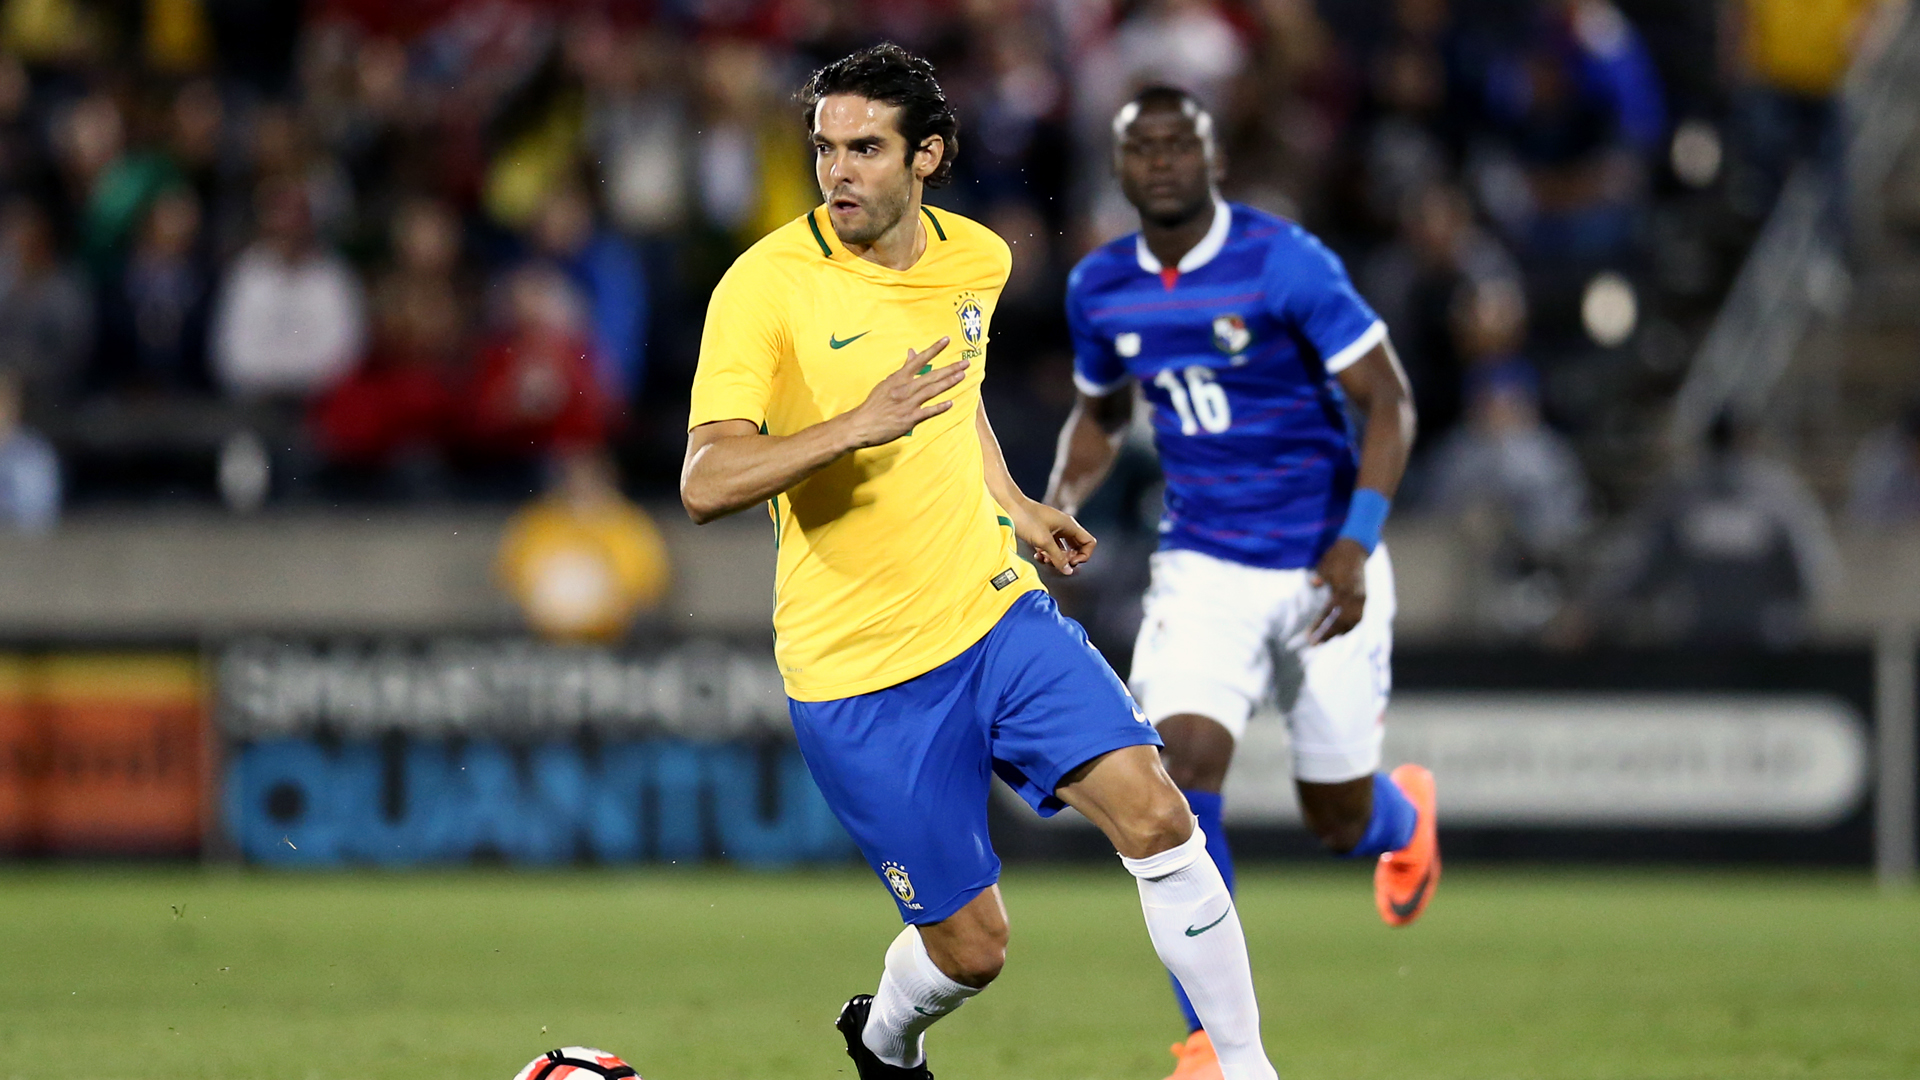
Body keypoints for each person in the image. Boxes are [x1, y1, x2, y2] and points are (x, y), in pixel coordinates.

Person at [683, 45, 1283, 1080]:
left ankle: (1243, 1067)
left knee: (1156, 812)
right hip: (859, 671)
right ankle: (884, 1040)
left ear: (929, 156)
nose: (839, 173)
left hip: (993, 615)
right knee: (975, 949)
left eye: (865, 149)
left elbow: (950, 407)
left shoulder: (979, 261)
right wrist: (850, 426)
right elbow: (704, 479)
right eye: (825, 149)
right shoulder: (764, 288)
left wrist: (1012, 506)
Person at [1044, 86, 1438, 1079]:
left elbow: (1387, 400)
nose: (1165, 162)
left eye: (1183, 145)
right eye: (1146, 148)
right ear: (1122, 168)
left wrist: (1355, 541)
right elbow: (1101, 409)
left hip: (1322, 564)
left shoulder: (1284, 262)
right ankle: (1207, 1045)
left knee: (1336, 819)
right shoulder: (1100, 286)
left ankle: (1404, 820)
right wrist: (1054, 497)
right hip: (1203, 565)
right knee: (1177, 766)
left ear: (1212, 158)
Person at [496, 450, 669, 641]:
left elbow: (649, 588)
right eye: (574, 477)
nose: (582, 484)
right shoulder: (537, 523)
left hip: (614, 640)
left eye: (591, 477)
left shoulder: (630, 525)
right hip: (543, 638)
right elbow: (509, 580)